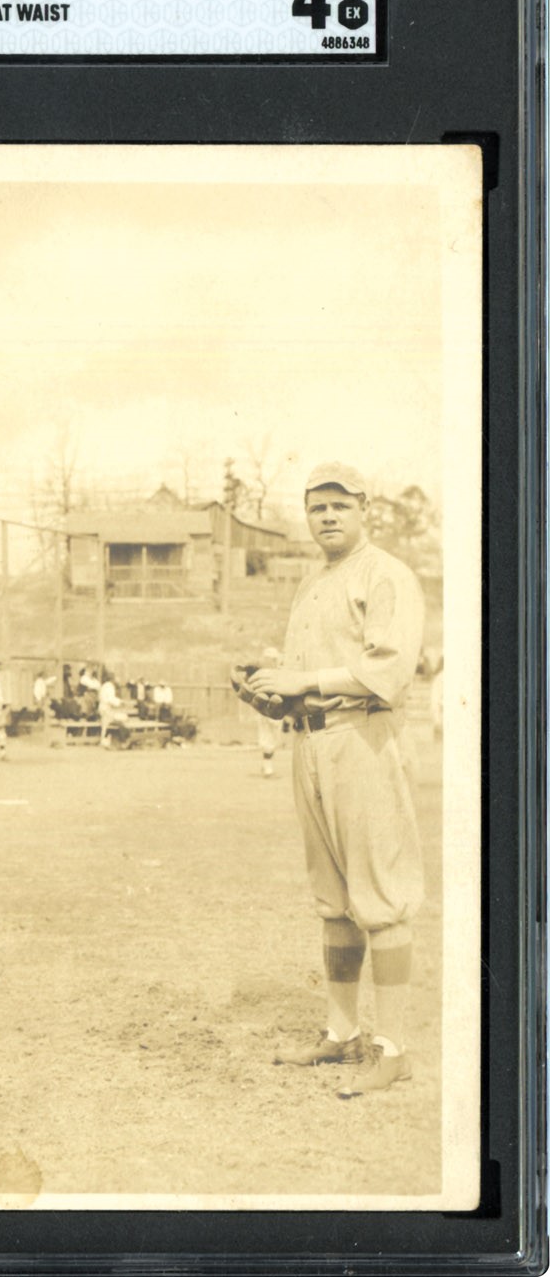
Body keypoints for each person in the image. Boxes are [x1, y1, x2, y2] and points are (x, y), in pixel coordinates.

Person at [245, 463, 425, 1097]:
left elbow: (391, 671)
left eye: (339, 506)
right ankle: (342, 1032)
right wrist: (274, 696)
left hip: (363, 740)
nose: (327, 517)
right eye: (317, 507)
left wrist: (304, 682)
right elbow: (302, 679)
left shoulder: (385, 574)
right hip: (311, 741)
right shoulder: (313, 582)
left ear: (363, 509)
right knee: (332, 900)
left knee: (382, 895)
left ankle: (394, 1049)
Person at [256, 647, 286, 777]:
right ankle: (268, 768)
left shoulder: (278, 673)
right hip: (266, 709)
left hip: (276, 709)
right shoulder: (264, 674)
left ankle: (266, 765)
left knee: (273, 740)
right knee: (267, 740)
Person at [98, 669, 129, 748]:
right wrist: (120, 702)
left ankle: (106, 741)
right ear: (111, 679)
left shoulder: (105, 685)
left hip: (104, 707)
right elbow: (110, 699)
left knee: (106, 724)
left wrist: (119, 701)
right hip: (106, 707)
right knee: (107, 724)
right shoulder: (109, 686)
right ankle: (106, 742)